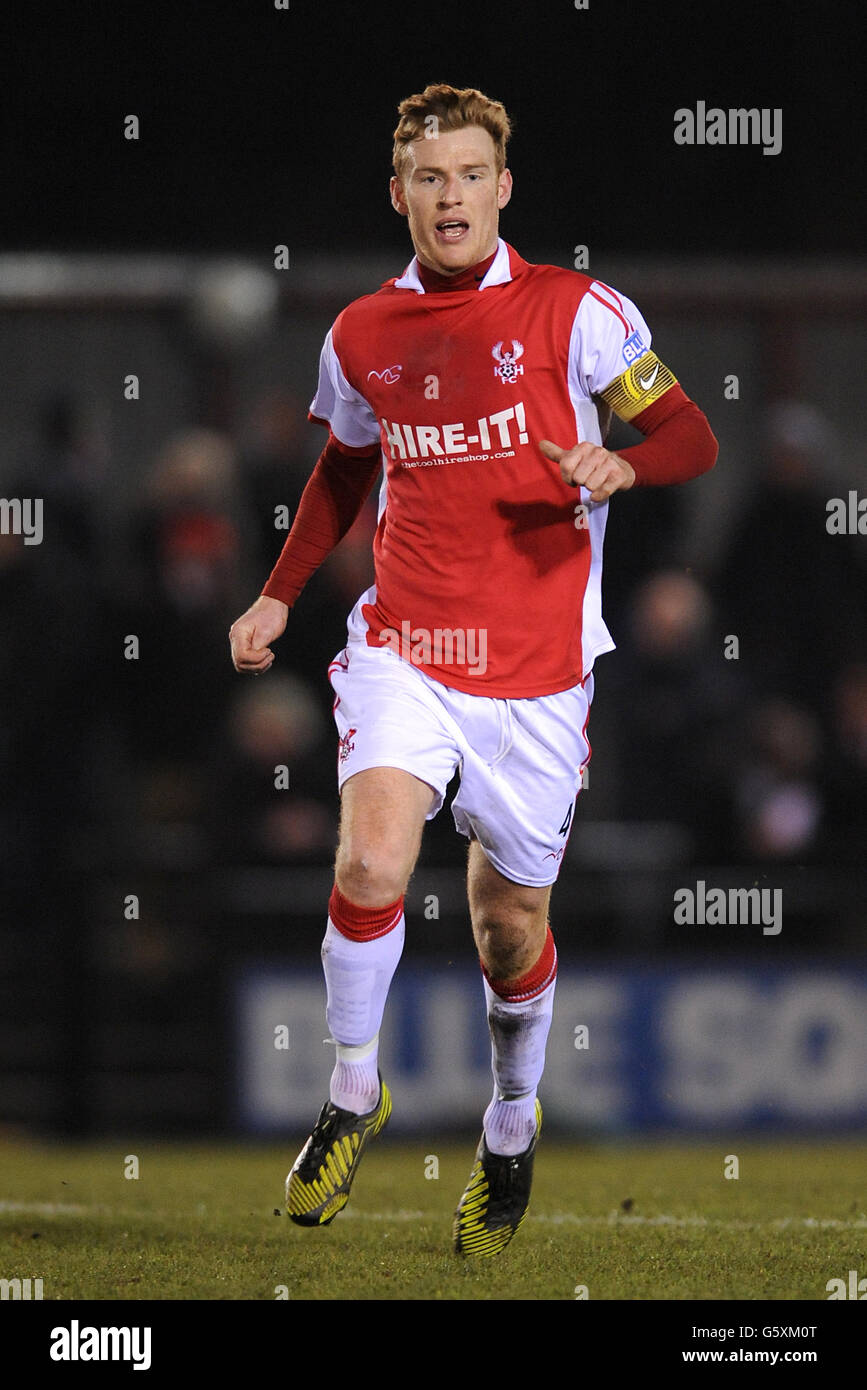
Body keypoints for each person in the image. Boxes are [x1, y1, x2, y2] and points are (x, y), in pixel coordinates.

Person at [229, 83, 717, 1256]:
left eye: (469, 176)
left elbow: (692, 434)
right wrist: (278, 592)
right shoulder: (360, 333)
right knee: (373, 851)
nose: (449, 198)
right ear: (398, 194)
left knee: (508, 927)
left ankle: (509, 1127)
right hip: (408, 647)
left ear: (505, 187)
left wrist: (620, 467)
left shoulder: (580, 314)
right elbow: (345, 471)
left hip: (540, 675)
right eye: (427, 178)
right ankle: (353, 1094)